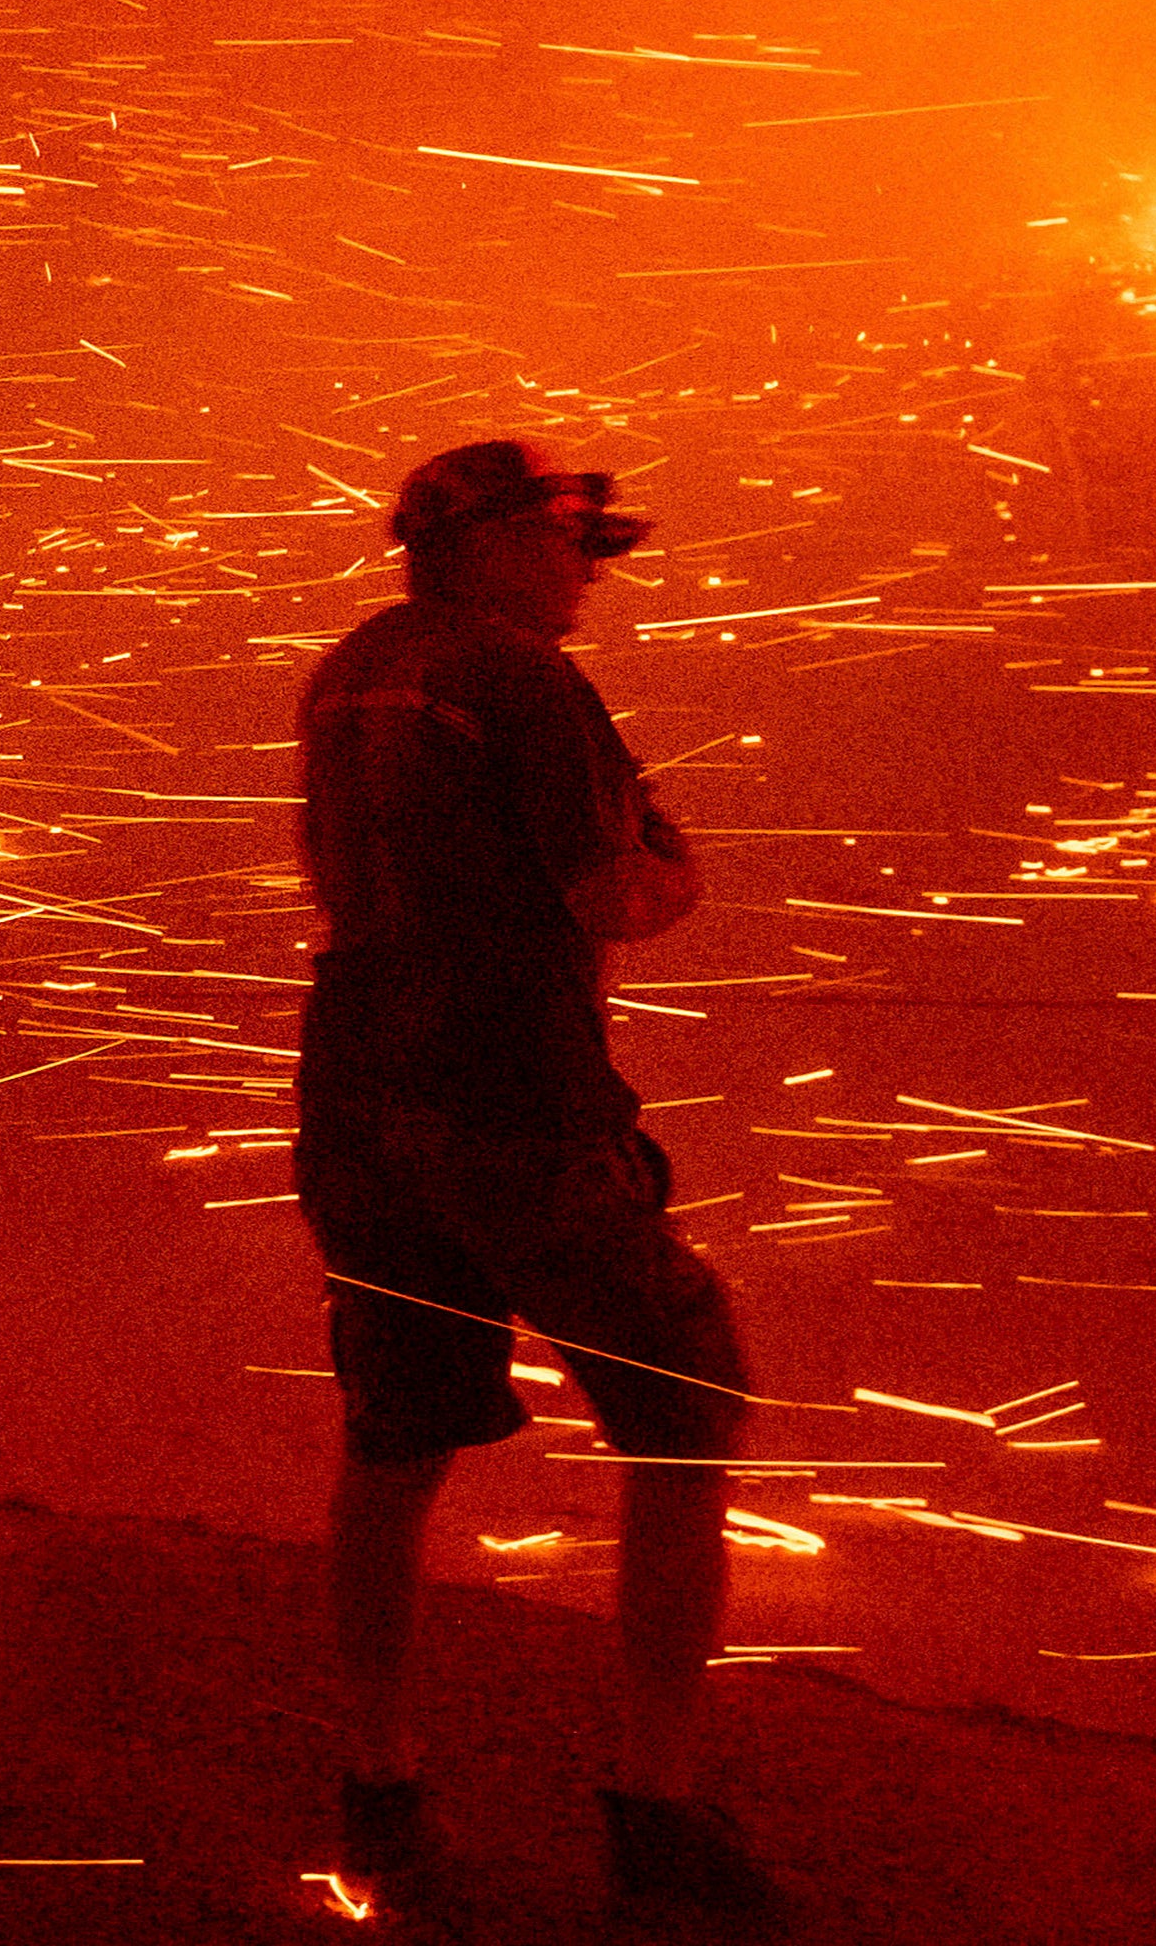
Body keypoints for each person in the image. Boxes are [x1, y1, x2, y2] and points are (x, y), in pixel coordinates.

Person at [296, 438, 782, 1933]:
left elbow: (331, 877)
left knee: (394, 1439)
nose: (591, 573)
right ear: (500, 542)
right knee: (687, 1414)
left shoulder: (349, 671)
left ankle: (378, 1780)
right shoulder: (521, 679)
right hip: (517, 1106)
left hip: (360, 1101)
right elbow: (610, 892)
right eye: (577, 543)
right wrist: (674, 873)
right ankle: (653, 1803)